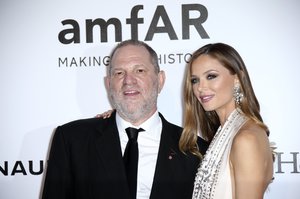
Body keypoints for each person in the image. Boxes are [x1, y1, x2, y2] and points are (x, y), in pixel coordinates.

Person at [42, 39, 208, 199]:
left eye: (139, 71)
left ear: (160, 80)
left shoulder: (196, 151)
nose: (129, 81)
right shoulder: (71, 140)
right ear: (108, 84)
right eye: (119, 73)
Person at [179, 43, 274, 199]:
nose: (201, 88)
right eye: (195, 80)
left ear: (237, 79)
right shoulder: (226, 132)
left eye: (211, 76)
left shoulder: (246, 139)